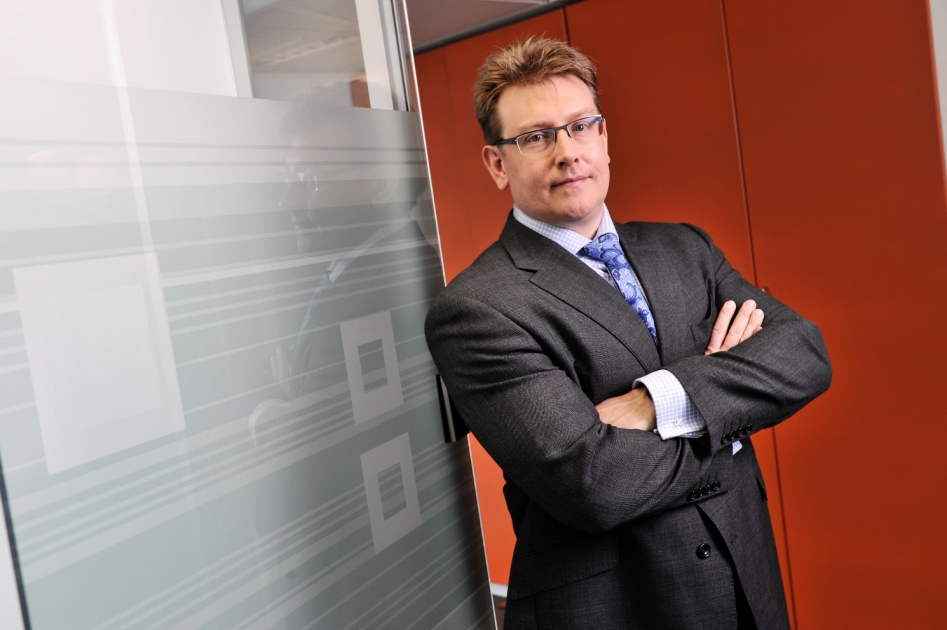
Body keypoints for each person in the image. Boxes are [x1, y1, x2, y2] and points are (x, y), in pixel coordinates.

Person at [424, 38, 831, 629]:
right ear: (496, 164)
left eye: (580, 126)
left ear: (604, 137)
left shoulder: (685, 248)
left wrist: (655, 402)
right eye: (536, 137)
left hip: (748, 583)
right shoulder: (478, 308)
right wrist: (732, 419)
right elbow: (593, 484)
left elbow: (804, 355)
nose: (568, 152)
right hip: (621, 608)